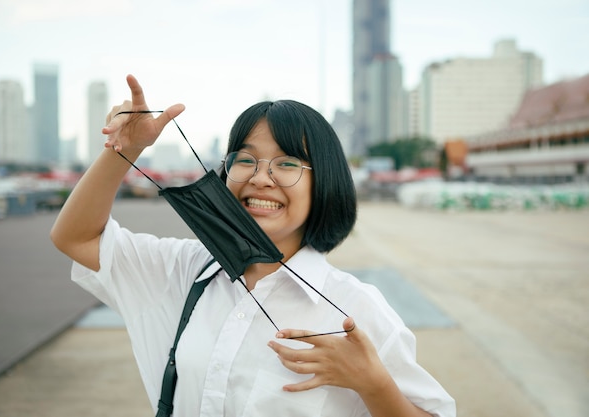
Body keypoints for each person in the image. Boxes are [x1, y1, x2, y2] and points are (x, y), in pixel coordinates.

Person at [51, 74, 456, 417]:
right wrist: (127, 149)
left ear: (324, 183)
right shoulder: (185, 270)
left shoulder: (355, 309)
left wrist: (373, 383)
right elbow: (76, 237)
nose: (261, 178)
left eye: (287, 163)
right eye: (245, 160)